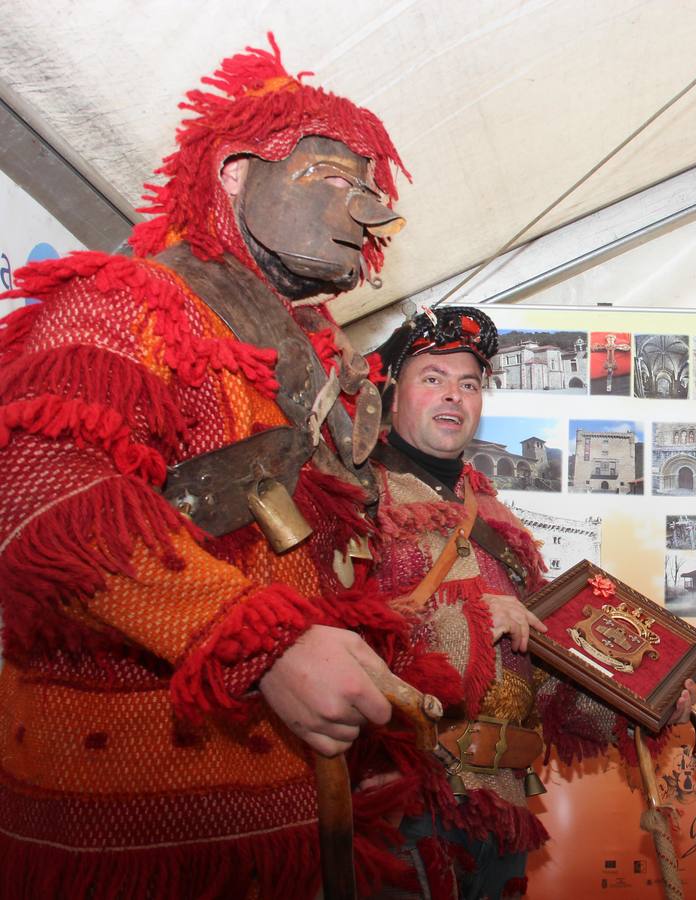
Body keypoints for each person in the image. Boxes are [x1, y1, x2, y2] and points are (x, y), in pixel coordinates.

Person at [0, 37, 456, 898]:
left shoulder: (319, 361)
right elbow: (41, 493)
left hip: (294, 822)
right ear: (237, 174)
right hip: (140, 838)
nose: (363, 210)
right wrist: (261, 641)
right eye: (329, 175)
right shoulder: (128, 300)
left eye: (372, 191)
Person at [367, 305, 695, 900]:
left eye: (469, 384)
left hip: (504, 804)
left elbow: (540, 666)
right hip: (404, 799)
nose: (454, 396)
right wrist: (471, 618)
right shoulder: (357, 495)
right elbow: (330, 634)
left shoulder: (497, 518)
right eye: (432, 378)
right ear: (392, 393)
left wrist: (641, 703)